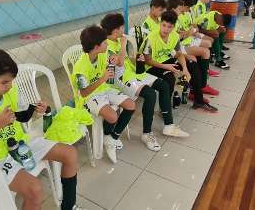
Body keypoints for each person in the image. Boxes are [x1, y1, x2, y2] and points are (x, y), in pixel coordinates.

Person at [0, 48, 82, 210]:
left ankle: (69, 206)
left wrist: (35, 109)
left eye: (12, 80)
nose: (10, 86)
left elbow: (21, 115)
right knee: (35, 189)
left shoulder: (10, 89)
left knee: (70, 153)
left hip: (19, 144)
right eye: (4, 82)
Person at [101, 13, 189, 152]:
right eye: (122, 27)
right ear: (116, 30)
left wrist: (137, 59)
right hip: (118, 80)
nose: (124, 29)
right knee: (150, 95)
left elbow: (126, 63)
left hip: (132, 74)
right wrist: (124, 46)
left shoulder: (117, 39)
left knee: (163, 85)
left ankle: (169, 125)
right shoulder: (106, 45)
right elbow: (119, 64)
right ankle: (146, 134)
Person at [73, 26, 136, 163]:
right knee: (113, 117)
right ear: (96, 47)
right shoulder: (80, 67)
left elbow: (115, 62)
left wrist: (113, 59)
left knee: (131, 105)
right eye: (104, 42)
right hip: (89, 97)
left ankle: (111, 137)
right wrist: (103, 78)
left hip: (104, 88)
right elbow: (84, 93)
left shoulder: (102, 53)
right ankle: (109, 136)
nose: (107, 44)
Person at [144, 10, 218, 112]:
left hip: (167, 60)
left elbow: (178, 54)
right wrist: (168, 67)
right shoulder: (151, 37)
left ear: (173, 26)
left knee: (192, 65)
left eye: (169, 27)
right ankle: (164, 108)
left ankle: (198, 100)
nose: (166, 29)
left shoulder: (174, 35)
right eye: (164, 25)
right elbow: (148, 61)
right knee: (170, 77)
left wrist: (185, 69)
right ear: (160, 24)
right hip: (152, 66)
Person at [169, 0, 219, 94]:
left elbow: (181, 33)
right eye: (179, 9)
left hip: (179, 46)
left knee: (195, 59)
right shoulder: (169, 20)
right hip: (175, 49)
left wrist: (187, 33)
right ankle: (189, 87)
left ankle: (192, 86)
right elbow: (178, 37)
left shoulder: (175, 18)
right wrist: (187, 33)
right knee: (195, 59)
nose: (181, 11)